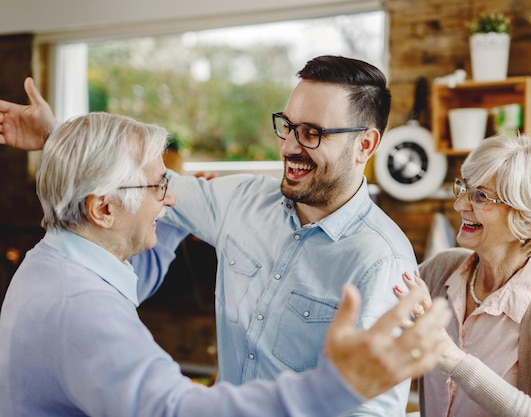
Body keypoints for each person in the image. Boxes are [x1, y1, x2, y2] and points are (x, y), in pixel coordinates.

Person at [0, 55, 423, 415]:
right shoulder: (241, 198)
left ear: (365, 145)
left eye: (312, 133)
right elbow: (124, 184)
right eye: (287, 125)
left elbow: (372, 403)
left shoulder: (382, 263)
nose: (290, 146)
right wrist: (57, 138)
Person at [397, 133, 531, 416]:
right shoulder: (440, 271)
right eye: (464, 189)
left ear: (529, 221)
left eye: (480, 195)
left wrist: (455, 361)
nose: (460, 205)